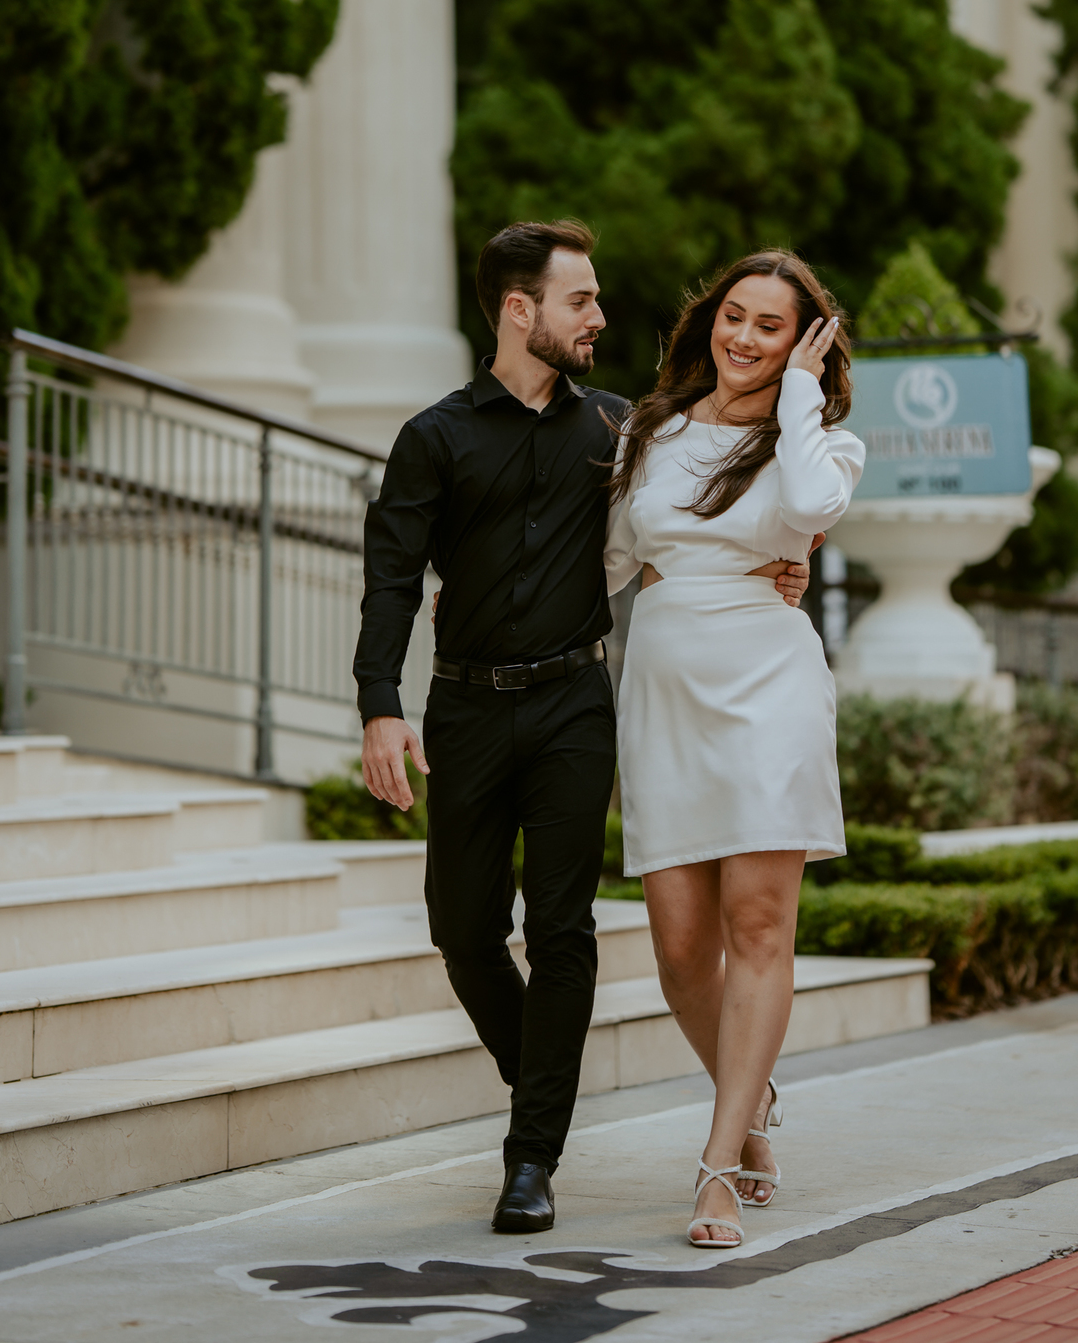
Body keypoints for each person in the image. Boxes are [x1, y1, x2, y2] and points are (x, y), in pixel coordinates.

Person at [354, 222, 811, 1234]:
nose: (600, 317)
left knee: (562, 928)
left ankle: (532, 1159)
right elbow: (392, 579)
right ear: (522, 312)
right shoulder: (434, 437)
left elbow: (709, 510)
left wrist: (792, 555)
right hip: (465, 706)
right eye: (581, 301)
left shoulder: (620, 431)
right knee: (462, 929)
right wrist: (380, 705)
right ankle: (545, 1087)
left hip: (575, 705)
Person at [604, 250, 864, 1249]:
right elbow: (615, 560)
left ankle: (717, 1163)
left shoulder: (826, 446)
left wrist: (800, 396)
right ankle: (747, 1098)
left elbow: (806, 512)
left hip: (771, 688)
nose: (745, 338)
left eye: (772, 327)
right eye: (735, 317)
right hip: (666, 690)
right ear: (710, 320)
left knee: (759, 928)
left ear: (804, 344)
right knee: (678, 947)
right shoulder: (652, 429)